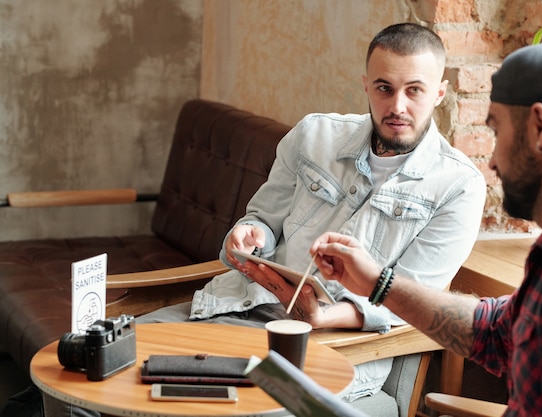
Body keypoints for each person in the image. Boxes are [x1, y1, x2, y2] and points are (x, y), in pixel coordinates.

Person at [43, 22, 486, 416]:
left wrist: (326, 317)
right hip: (237, 309)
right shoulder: (314, 135)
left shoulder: (458, 186)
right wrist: (247, 234)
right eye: (385, 88)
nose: (398, 105)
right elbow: (262, 219)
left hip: (331, 347)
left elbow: (414, 300)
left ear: (440, 92)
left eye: (415, 90)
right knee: (84, 368)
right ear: (366, 85)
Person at [310, 43, 542, 415]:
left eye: (496, 130)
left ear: (540, 127)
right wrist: (379, 283)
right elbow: (497, 332)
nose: (491, 161)